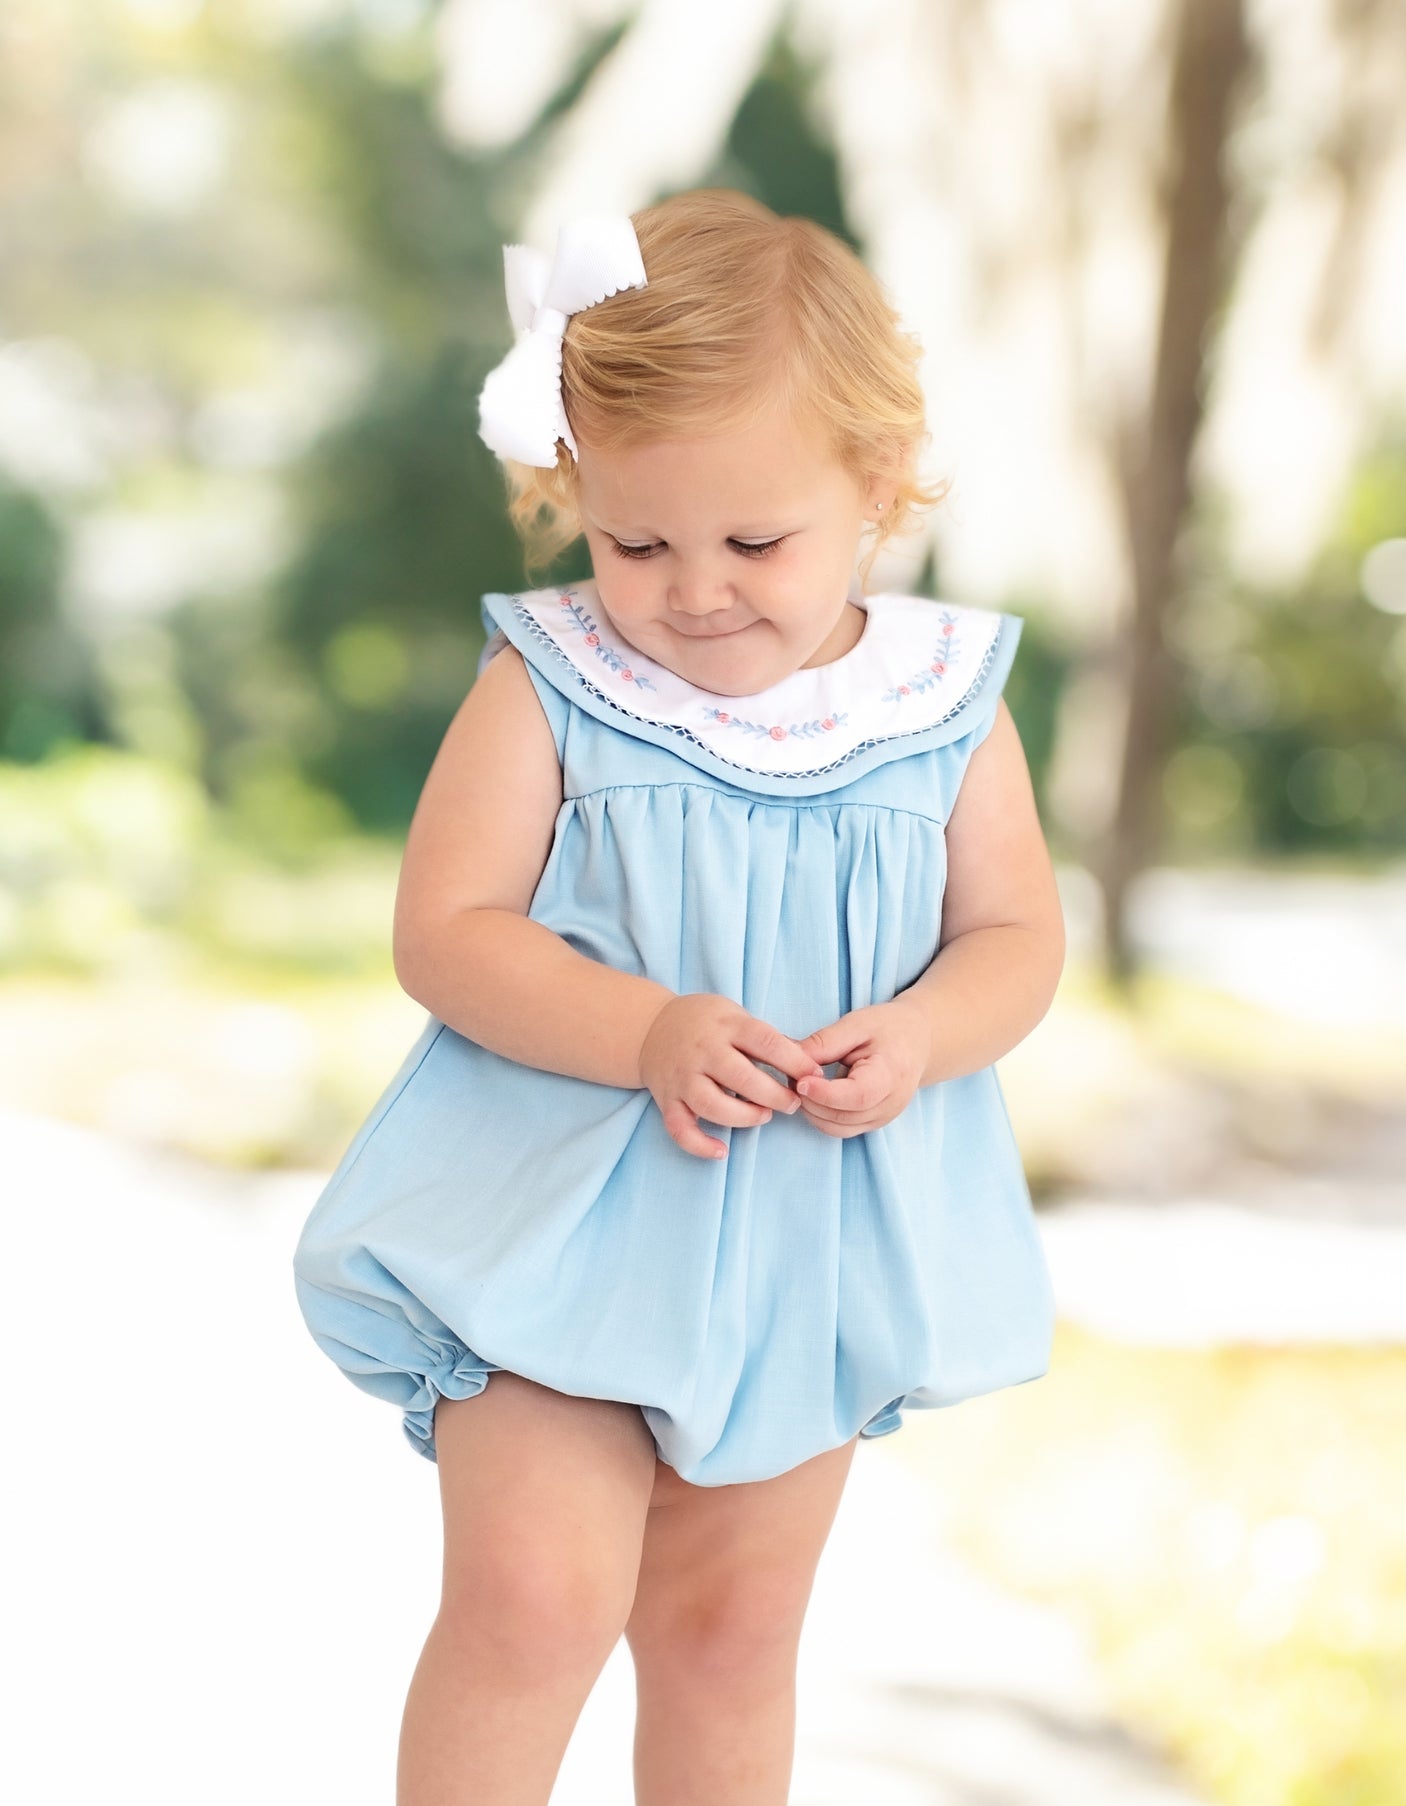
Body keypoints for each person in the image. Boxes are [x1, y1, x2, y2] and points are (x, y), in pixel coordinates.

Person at [293, 188, 1064, 1806]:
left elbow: (1015, 937)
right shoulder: (553, 683)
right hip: (560, 1232)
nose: (694, 587)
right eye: (637, 539)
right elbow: (448, 926)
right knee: (532, 1599)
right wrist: (642, 1030)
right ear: (572, 493)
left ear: (874, 483)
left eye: (753, 541)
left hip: (798, 1248)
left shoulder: (937, 709)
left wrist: (920, 1033)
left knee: (726, 1631)